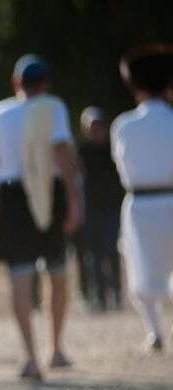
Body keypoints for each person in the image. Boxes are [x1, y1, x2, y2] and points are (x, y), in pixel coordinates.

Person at [0, 55, 81, 381]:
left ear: (16, 83)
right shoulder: (53, 107)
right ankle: (56, 348)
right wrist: (74, 199)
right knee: (57, 272)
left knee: (19, 277)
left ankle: (30, 357)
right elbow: (62, 154)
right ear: (46, 84)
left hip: (10, 194)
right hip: (48, 191)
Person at [110, 44, 173, 351]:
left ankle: (154, 330)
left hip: (140, 203)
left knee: (142, 268)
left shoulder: (123, 125)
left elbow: (121, 166)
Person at [77, 106, 124, 311]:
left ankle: (117, 292)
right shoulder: (81, 152)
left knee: (111, 250)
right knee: (93, 254)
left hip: (113, 207)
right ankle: (99, 296)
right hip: (90, 209)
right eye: (91, 127)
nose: (96, 130)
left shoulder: (114, 149)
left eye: (99, 126)